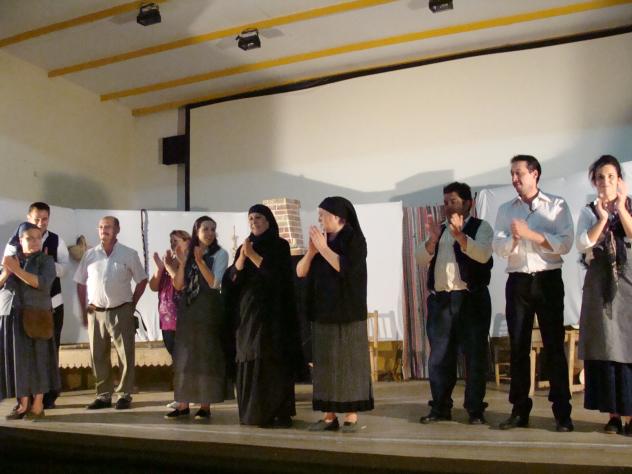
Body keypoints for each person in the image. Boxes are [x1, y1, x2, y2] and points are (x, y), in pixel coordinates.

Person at [493, 155, 574, 432]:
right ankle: (519, 410)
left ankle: (562, 412)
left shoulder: (556, 205)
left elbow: (565, 244)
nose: (514, 179)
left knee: (554, 346)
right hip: (518, 281)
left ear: (535, 174)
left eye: (519, 173)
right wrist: (515, 238)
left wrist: (532, 235)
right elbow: (498, 247)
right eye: (512, 174)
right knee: (518, 347)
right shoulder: (506, 209)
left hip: (548, 280)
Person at [416, 182, 493, 425]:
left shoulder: (481, 227)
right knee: (439, 357)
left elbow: (483, 255)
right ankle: (440, 407)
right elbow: (420, 258)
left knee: (474, 356)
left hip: (471, 299)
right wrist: (432, 240)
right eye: (446, 202)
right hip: (441, 301)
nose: (448, 207)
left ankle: (475, 409)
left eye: (454, 202)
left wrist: (460, 236)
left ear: (468, 203)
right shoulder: (439, 230)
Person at [297, 196, 373, 433]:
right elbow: (300, 272)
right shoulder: (321, 240)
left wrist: (323, 249)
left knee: (349, 363)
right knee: (325, 365)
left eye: (323, 215)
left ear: (339, 217)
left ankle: (351, 415)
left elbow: (346, 269)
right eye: (319, 215)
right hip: (322, 311)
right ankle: (329, 416)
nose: (319, 219)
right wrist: (312, 252)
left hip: (348, 312)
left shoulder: (355, 239)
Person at [223, 204, 300, 427]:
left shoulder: (280, 245)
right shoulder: (245, 247)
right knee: (250, 353)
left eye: (258, 217)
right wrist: (241, 260)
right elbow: (231, 280)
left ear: (268, 221)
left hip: (274, 313)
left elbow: (276, 277)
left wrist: (253, 255)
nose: (253, 222)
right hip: (248, 313)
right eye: (250, 219)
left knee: (272, 357)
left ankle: (278, 412)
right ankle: (255, 412)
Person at [576, 155, 632, 436]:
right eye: (600, 177)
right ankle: (613, 416)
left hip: (629, 286)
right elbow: (582, 242)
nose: (605, 182)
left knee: (629, 349)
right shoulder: (589, 211)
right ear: (594, 181)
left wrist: (620, 208)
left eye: (611, 176)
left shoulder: (629, 206)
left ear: (619, 180)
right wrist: (602, 218)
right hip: (601, 287)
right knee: (608, 348)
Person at [74, 216, 148, 410]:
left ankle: (124, 394)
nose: (103, 230)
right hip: (95, 311)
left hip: (121, 309)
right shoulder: (90, 255)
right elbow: (80, 283)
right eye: (100, 227)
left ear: (117, 229)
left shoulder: (128, 254)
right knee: (97, 354)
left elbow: (142, 280)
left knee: (125, 354)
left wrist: (132, 304)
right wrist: (83, 309)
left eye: (107, 227)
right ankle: (103, 395)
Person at [164, 216, 233, 420]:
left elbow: (215, 283)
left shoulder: (220, 254)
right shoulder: (187, 252)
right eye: (205, 229)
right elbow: (178, 285)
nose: (210, 233)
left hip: (208, 308)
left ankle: (205, 405)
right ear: (196, 231)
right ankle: (183, 404)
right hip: (188, 308)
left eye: (213, 229)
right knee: (184, 357)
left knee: (205, 356)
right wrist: (183, 263)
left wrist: (200, 261)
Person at [4, 202, 69, 409]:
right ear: (28, 219)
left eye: (45, 219)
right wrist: (12, 269)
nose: (41, 223)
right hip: (19, 310)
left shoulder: (56, 241)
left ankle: (45, 399)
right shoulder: (13, 243)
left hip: (49, 305)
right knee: (21, 357)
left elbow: (62, 270)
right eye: (36, 219)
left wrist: (38, 266)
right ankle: (23, 401)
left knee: (46, 355)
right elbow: (6, 268)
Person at [149, 230, 191, 358]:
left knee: (186, 358)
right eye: (171, 241)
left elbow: (181, 285)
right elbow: (153, 287)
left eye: (176, 241)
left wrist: (169, 268)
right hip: (167, 320)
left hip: (185, 320)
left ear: (187, 242)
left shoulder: (191, 261)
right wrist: (160, 269)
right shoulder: (168, 260)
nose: (173, 244)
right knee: (176, 357)